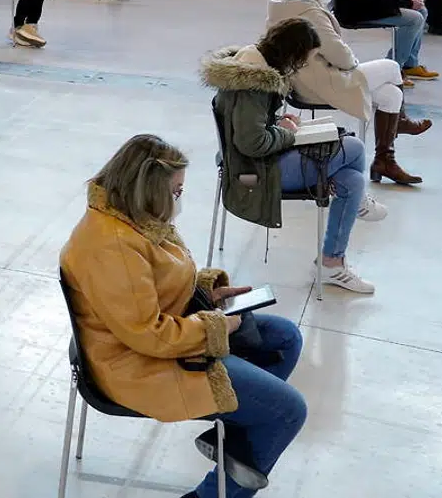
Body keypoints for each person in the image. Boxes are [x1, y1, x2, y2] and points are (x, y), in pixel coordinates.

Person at [60, 134, 306, 498]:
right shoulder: (113, 246)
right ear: (148, 188)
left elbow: (149, 288)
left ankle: (237, 439)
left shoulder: (133, 219)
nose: (179, 198)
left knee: (283, 338)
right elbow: (151, 334)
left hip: (147, 343)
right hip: (137, 365)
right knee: (288, 411)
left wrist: (205, 294)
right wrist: (218, 326)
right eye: (176, 191)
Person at [202, 17, 386, 295]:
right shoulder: (253, 84)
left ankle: (332, 262)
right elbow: (251, 142)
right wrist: (286, 133)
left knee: (352, 181)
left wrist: (277, 122)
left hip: (259, 162)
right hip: (253, 173)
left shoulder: (250, 62)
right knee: (355, 148)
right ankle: (354, 216)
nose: (300, 67)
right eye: (303, 60)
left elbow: (249, 125)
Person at [266, 0, 428, 186]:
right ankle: (400, 124)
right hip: (321, 84)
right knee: (392, 67)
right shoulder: (310, 14)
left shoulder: (281, 8)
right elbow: (341, 57)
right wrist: (352, 61)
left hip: (302, 82)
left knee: (391, 94)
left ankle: (384, 161)